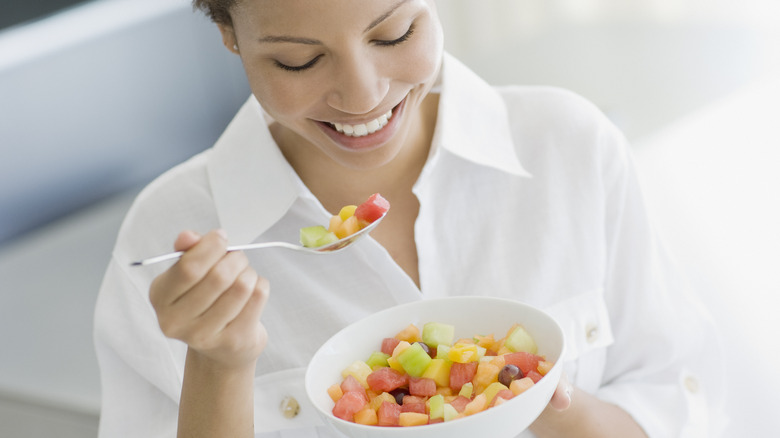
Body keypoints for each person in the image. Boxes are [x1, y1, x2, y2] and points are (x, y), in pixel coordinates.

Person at [93, 1, 723, 437]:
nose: (363, 97)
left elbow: (677, 404)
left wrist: (541, 404)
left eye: (393, 35)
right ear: (231, 35)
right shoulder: (169, 234)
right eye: (298, 62)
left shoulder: (569, 148)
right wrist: (219, 367)